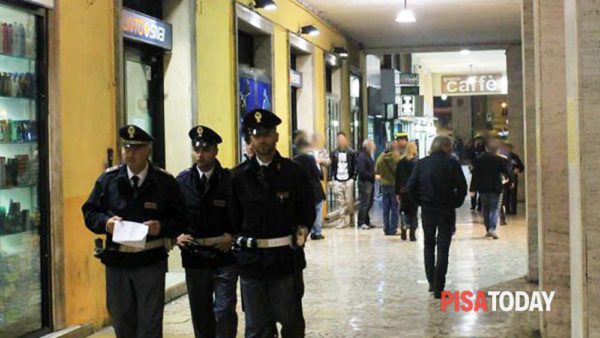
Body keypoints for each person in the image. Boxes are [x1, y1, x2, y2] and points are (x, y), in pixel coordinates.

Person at [82, 125, 187, 338]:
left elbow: (182, 218)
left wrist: (162, 227)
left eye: (137, 148)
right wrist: (106, 223)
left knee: (149, 323)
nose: (131, 153)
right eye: (127, 147)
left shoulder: (164, 182)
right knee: (121, 321)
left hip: (149, 261)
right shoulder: (109, 180)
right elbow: (90, 212)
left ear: (148, 150)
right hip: (117, 263)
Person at [230, 109, 315, 338]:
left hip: (285, 262)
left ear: (276, 136)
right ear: (250, 139)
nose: (262, 140)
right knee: (257, 328)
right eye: (257, 135)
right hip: (252, 264)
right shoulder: (238, 177)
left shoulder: (293, 173)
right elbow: (232, 218)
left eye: (267, 134)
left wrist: (304, 228)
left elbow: (306, 210)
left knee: (291, 325)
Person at [175, 126, 238, 338]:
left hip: (224, 256)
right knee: (201, 314)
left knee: (224, 311)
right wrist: (176, 236)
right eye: (196, 149)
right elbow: (173, 214)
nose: (200, 154)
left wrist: (233, 235)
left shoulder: (230, 181)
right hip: (195, 258)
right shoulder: (182, 182)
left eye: (206, 149)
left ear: (215, 151)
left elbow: (242, 213)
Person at [407, 135, 467, 299]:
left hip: (428, 209)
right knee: (443, 248)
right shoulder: (452, 163)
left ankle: (431, 282)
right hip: (446, 209)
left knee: (428, 245)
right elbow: (462, 186)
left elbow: (410, 186)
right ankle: (440, 286)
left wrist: (420, 201)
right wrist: (456, 202)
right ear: (446, 147)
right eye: (451, 146)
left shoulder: (422, 163)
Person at [469, 139, 512, 239]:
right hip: (495, 187)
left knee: (486, 209)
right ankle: (492, 228)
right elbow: (506, 171)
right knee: (494, 208)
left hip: (483, 188)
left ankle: (488, 228)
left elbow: (475, 175)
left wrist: (472, 189)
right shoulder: (499, 159)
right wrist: (510, 181)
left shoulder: (478, 159)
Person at [294, 139, 327, 240]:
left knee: (307, 210)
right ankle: (317, 232)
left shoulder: (294, 160)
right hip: (314, 188)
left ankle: (308, 231)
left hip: (302, 190)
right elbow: (318, 173)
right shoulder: (310, 158)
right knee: (317, 210)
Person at [329, 132, 357, 229]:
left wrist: (353, 178)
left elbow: (355, 166)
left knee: (349, 201)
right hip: (338, 180)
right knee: (340, 201)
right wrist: (331, 179)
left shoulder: (351, 152)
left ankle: (351, 215)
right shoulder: (333, 153)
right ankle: (342, 220)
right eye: (339, 139)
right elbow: (331, 167)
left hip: (348, 179)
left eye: (342, 139)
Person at [375, 141, 401, 236]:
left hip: (384, 185)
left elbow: (377, 171)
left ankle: (386, 228)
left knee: (385, 208)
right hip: (394, 185)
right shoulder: (397, 157)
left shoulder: (380, 158)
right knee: (394, 208)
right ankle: (393, 229)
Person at [395, 142, 419, 241]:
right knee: (413, 212)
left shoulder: (400, 162)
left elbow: (397, 178)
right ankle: (412, 234)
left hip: (403, 190)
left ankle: (403, 230)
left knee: (403, 210)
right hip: (414, 191)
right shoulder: (417, 162)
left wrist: (397, 192)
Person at [356, 139, 377, 230]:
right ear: (368, 146)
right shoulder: (362, 157)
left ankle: (366, 221)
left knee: (369, 202)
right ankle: (361, 222)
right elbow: (362, 171)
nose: (374, 147)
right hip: (365, 183)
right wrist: (373, 175)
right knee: (364, 202)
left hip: (369, 182)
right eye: (372, 145)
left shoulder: (368, 156)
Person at [467, 134, 486, 211]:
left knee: (481, 189)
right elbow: (469, 157)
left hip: (482, 172)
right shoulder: (473, 149)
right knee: (473, 189)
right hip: (474, 172)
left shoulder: (483, 150)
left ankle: (480, 205)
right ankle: (473, 204)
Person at [506, 143, 524, 215]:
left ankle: (513, 210)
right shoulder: (502, 157)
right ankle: (506, 210)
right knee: (506, 194)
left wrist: (518, 170)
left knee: (513, 194)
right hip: (505, 177)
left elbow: (522, 167)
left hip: (513, 177)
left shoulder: (515, 157)